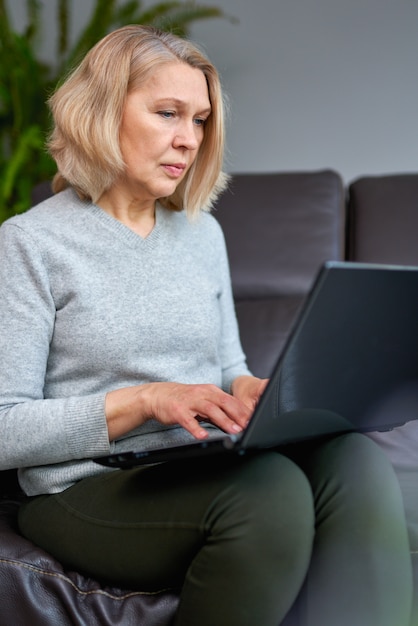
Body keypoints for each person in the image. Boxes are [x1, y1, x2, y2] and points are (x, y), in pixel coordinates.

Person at [0, 25, 412, 626]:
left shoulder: (200, 232)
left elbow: (228, 368)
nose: (189, 139)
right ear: (101, 112)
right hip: (84, 488)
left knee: (353, 456)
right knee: (270, 493)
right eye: (169, 113)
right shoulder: (31, 243)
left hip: (197, 462)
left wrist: (255, 392)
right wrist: (145, 400)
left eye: (199, 120)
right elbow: (5, 427)